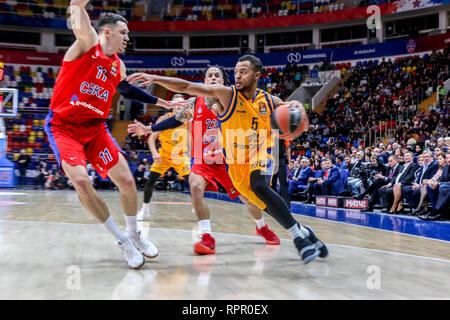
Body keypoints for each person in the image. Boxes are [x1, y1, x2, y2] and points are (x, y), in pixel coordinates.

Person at [127, 55, 328, 264]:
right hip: (230, 162)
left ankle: (294, 237)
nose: (238, 75)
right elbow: (185, 90)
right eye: (236, 72)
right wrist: (155, 80)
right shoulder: (216, 98)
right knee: (260, 201)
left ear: (256, 75)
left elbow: (293, 115)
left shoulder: (269, 101)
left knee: (258, 185)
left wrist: (298, 117)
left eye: (243, 72)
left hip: (258, 153)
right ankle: (303, 231)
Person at [43, 3, 186, 269]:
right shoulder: (86, 44)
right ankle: (121, 240)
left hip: (96, 128)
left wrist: (162, 103)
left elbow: (127, 91)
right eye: (123, 32)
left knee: (127, 181)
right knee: (82, 181)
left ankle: (134, 233)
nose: (127, 37)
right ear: (106, 32)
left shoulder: (118, 66)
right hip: (64, 127)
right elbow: (75, 6)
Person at [131, 66, 280, 254]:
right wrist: (149, 130)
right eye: (209, 75)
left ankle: (261, 227)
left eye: (217, 75)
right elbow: (175, 120)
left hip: (228, 159)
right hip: (203, 159)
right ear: (204, 81)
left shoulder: (232, 100)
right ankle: (206, 236)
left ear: (224, 81)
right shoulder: (195, 102)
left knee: (249, 200)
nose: (213, 77)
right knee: (194, 185)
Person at [136, 94, 191, 220]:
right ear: (172, 106)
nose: (179, 106)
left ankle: (198, 208)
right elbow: (151, 138)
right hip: (164, 156)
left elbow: (191, 140)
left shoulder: (188, 121)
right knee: (150, 182)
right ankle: (145, 209)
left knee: (193, 182)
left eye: (182, 104)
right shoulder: (164, 119)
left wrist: (193, 155)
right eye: (177, 103)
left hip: (180, 156)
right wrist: (154, 153)